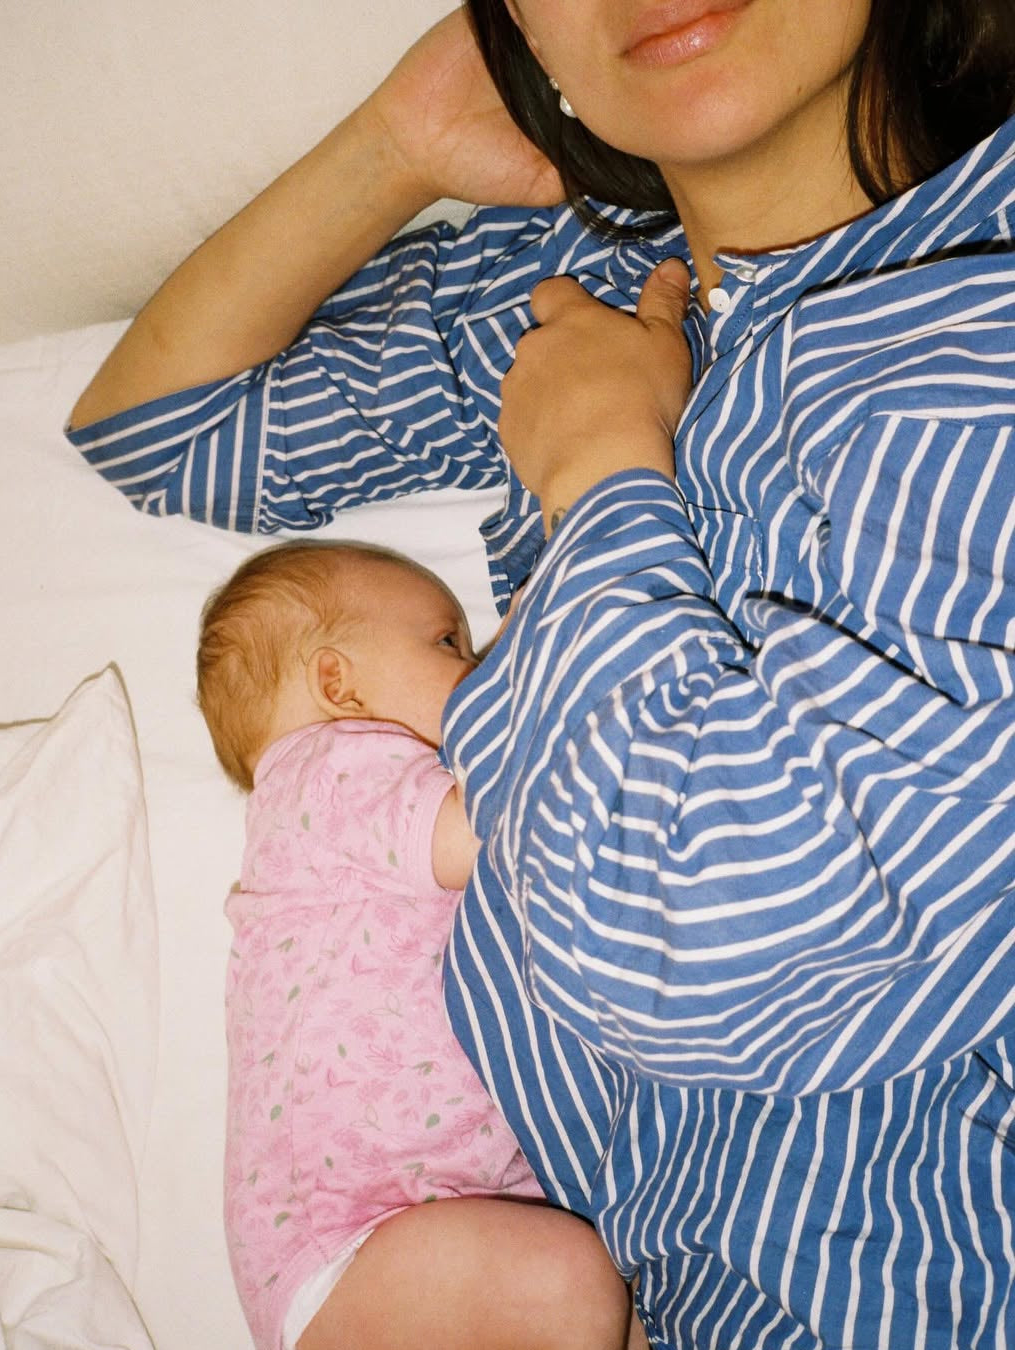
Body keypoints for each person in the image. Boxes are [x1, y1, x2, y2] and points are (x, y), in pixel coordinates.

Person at [70, 2, 1015, 1344]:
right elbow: (155, 433)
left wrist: (597, 472)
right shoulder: (565, 283)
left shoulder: (977, 311)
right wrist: (399, 143)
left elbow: (716, 945)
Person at [196, 538, 644, 1350]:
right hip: (353, 1249)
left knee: (586, 1293)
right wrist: (543, 657)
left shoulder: (340, 792)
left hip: (413, 1241)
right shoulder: (323, 772)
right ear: (339, 684)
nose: (472, 670)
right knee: (568, 1286)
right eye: (447, 644)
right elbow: (488, 826)